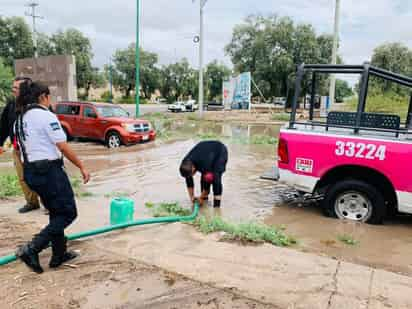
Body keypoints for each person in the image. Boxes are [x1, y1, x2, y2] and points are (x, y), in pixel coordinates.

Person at [14, 81, 90, 274]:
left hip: (31, 172)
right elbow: (62, 146)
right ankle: (33, 248)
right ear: (43, 97)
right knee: (68, 213)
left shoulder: (19, 120)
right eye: (49, 97)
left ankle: (59, 254)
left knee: (56, 212)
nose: (50, 101)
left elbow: (19, 150)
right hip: (49, 172)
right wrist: (82, 166)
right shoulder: (46, 116)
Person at [0, 77, 42, 213]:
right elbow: (3, 126)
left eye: (16, 88)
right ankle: (32, 202)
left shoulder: (37, 105)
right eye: (13, 87)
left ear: (25, 90)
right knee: (23, 177)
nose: (13, 90)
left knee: (41, 175)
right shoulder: (11, 105)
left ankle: (49, 203)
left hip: (36, 149)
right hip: (18, 149)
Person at [180, 141, 228, 208]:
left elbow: (207, 185)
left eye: (192, 173)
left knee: (216, 178)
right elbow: (188, 179)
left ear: (193, 168)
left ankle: (217, 207)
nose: (192, 175)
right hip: (206, 152)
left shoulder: (204, 164)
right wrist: (192, 197)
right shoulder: (185, 164)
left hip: (220, 151)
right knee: (204, 176)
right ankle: (205, 201)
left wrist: (200, 197)